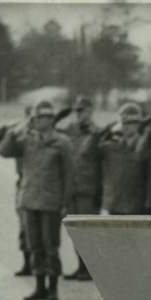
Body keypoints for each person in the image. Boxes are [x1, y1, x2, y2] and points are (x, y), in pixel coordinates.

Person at [0, 100, 74, 300]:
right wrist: (19, 128)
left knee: (51, 245)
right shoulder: (26, 139)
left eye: (46, 117)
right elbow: (4, 151)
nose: (42, 120)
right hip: (29, 200)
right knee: (35, 246)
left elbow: (69, 175)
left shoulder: (62, 142)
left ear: (51, 120)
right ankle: (39, 287)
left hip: (51, 202)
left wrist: (65, 203)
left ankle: (53, 288)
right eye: (38, 117)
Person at [58, 94, 101, 280]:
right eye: (77, 111)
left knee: (87, 230)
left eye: (82, 111)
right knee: (74, 229)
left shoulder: (98, 132)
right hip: (71, 188)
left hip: (88, 188)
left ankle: (89, 268)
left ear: (91, 111)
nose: (79, 114)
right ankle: (80, 266)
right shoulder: (70, 130)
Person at [0, 106, 33, 276]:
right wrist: (11, 127)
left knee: (41, 228)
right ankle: (27, 264)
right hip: (23, 182)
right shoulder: (19, 132)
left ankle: (41, 266)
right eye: (30, 115)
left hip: (44, 183)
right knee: (24, 225)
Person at [98, 102, 147, 215]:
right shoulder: (114, 145)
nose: (126, 126)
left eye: (130, 123)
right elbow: (94, 150)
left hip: (136, 205)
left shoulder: (145, 145)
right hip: (115, 204)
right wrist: (109, 129)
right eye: (123, 123)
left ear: (138, 124)